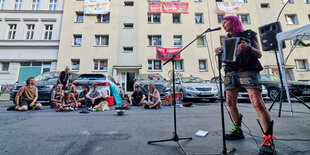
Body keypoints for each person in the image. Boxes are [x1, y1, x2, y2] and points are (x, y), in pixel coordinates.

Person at [215, 16, 275, 155]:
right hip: (231, 71)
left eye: (225, 22)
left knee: (257, 102)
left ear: (234, 22)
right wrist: (219, 52)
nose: (223, 24)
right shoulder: (226, 39)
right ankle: (237, 130)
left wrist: (248, 48)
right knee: (230, 102)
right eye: (222, 22)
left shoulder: (249, 34)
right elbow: (229, 57)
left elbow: (259, 53)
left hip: (248, 70)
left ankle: (268, 139)